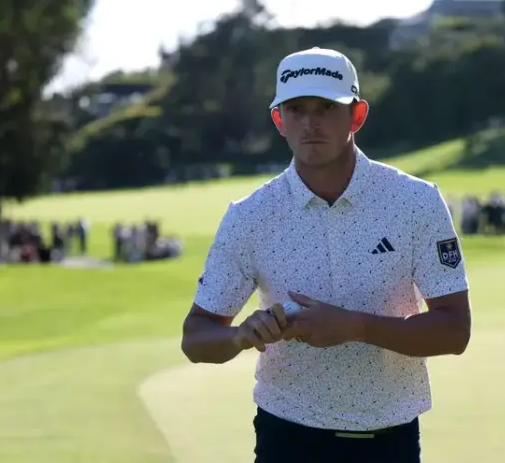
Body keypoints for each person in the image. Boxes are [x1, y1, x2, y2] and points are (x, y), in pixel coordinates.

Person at [181, 47, 472, 463]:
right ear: (279, 120)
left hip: (389, 439)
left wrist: (355, 327)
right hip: (288, 437)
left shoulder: (415, 202)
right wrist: (242, 336)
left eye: (326, 108)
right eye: (296, 109)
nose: (310, 123)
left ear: (356, 116)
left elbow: (454, 329)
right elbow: (196, 338)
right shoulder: (249, 217)